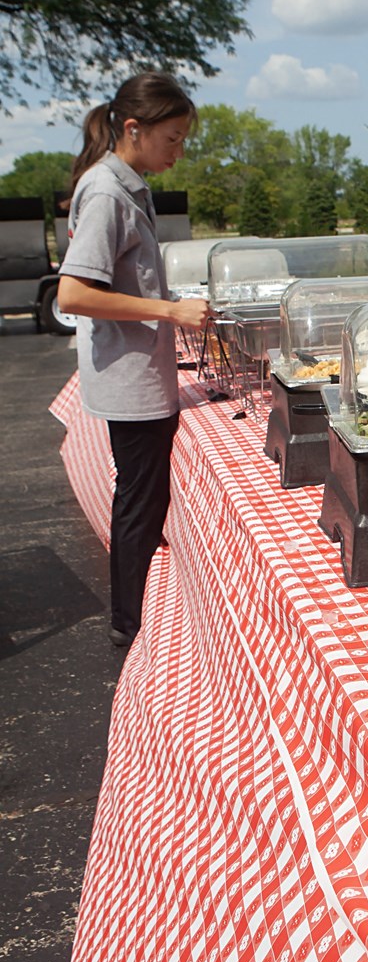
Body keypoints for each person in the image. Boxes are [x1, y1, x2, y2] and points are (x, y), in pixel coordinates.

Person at [57, 72, 211, 648]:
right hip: (131, 381)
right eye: (171, 138)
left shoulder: (128, 185)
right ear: (133, 129)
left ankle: (134, 611)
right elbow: (73, 294)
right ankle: (130, 623)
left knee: (144, 494)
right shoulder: (106, 192)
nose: (178, 149)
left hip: (139, 372)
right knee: (141, 499)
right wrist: (169, 312)